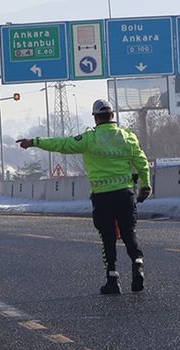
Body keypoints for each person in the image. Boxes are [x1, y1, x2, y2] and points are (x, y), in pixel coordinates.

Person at [16, 99, 152, 294]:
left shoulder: (89, 139)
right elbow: (141, 161)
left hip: (102, 197)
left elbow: (62, 144)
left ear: (96, 118)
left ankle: (113, 279)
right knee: (129, 232)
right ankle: (137, 263)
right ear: (112, 116)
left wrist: (34, 142)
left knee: (108, 237)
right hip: (125, 194)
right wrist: (145, 185)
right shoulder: (128, 137)